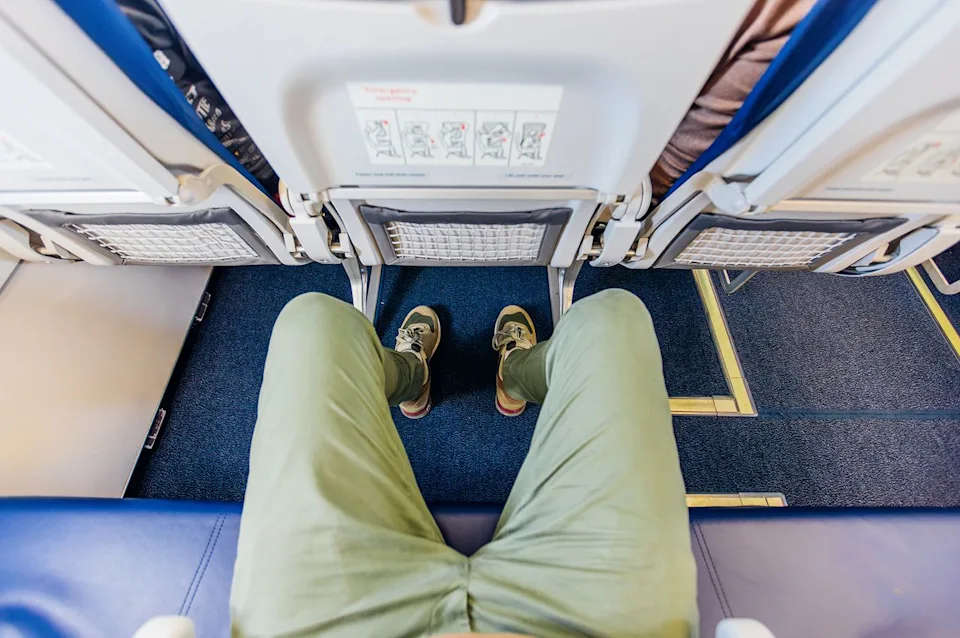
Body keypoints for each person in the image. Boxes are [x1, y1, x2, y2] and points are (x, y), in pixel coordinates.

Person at [229, 289, 697, 637]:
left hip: (327, 622)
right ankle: (510, 371)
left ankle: (418, 374)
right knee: (612, 320)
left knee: (313, 323)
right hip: (594, 622)